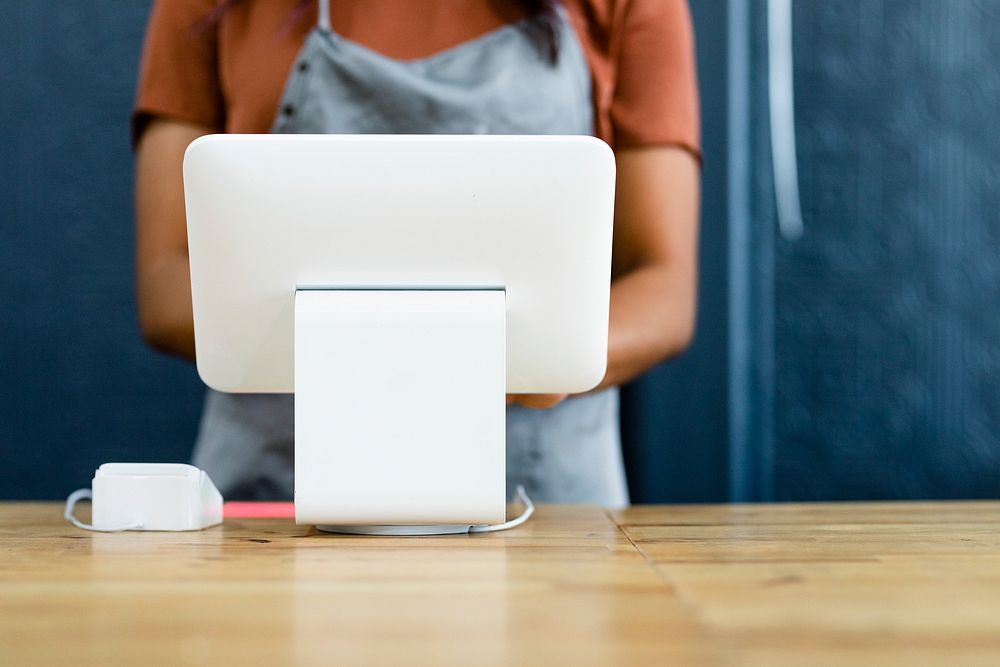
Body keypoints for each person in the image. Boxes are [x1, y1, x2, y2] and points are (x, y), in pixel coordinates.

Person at [133, 0, 701, 506]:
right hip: (271, 510)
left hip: (542, 512)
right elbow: (166, 283)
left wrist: (519, 365)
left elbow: (662, 284)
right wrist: (442, 356)